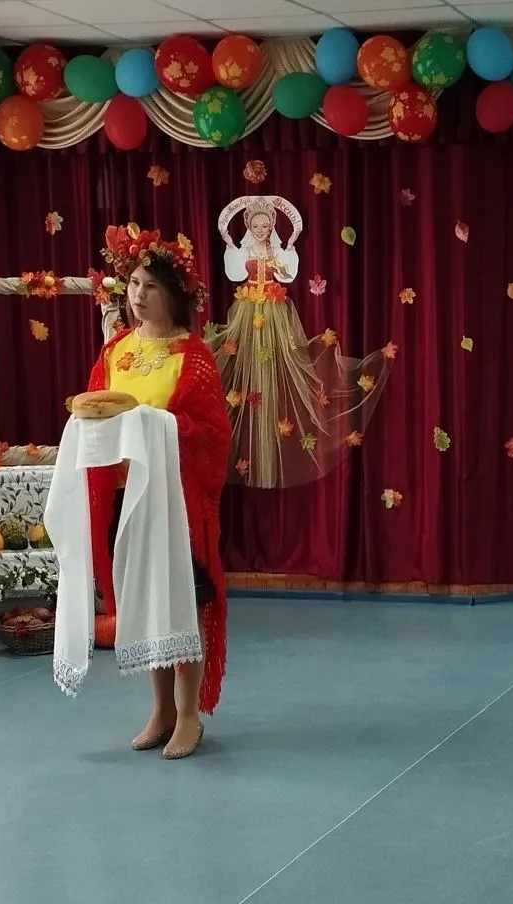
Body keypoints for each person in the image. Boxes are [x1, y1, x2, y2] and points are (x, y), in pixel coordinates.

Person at [86, 223, 231, 760]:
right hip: (129, 498)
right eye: (133, 284)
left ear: (172, 293)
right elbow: (99, 410)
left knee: (182, 604)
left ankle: (189, 716)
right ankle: (161, 710)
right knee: (146, 605)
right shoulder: (117, 351)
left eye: (150, 286)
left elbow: (212, 433)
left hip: (177, 503)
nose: (138, 295)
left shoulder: (192, 355)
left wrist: (156, 424)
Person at [209, 195, 392, 489]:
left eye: (265, 226)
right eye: (255, 226)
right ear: (249, 227)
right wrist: (230, 245)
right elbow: (234, 272)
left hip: (275, 312)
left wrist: (290, 246)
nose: (260, 230)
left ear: (271, 227)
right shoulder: (245, 250)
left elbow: (287, 273)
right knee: (243, 368)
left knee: (280, 368)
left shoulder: (277, 250)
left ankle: (271, 451)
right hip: (247, 311)